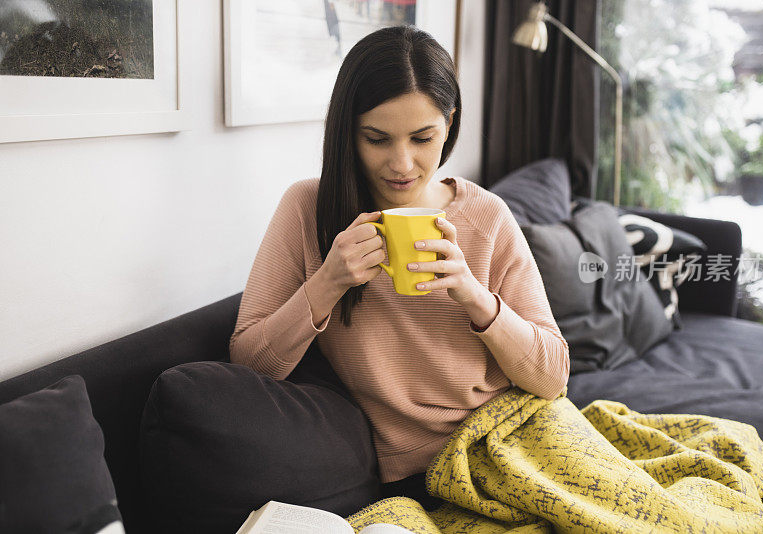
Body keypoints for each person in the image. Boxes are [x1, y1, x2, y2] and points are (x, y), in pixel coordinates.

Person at [229, 25, 570, 512]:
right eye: (377, 138)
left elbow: (554, 375)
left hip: (520, 432)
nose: (402, 163)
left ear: (448, 125)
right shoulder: (308, 209)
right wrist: (328, 283)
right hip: (422, 476)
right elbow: (249, 364)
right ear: (349, 131)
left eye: (422, 137)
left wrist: (474, 297)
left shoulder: (487, 215)